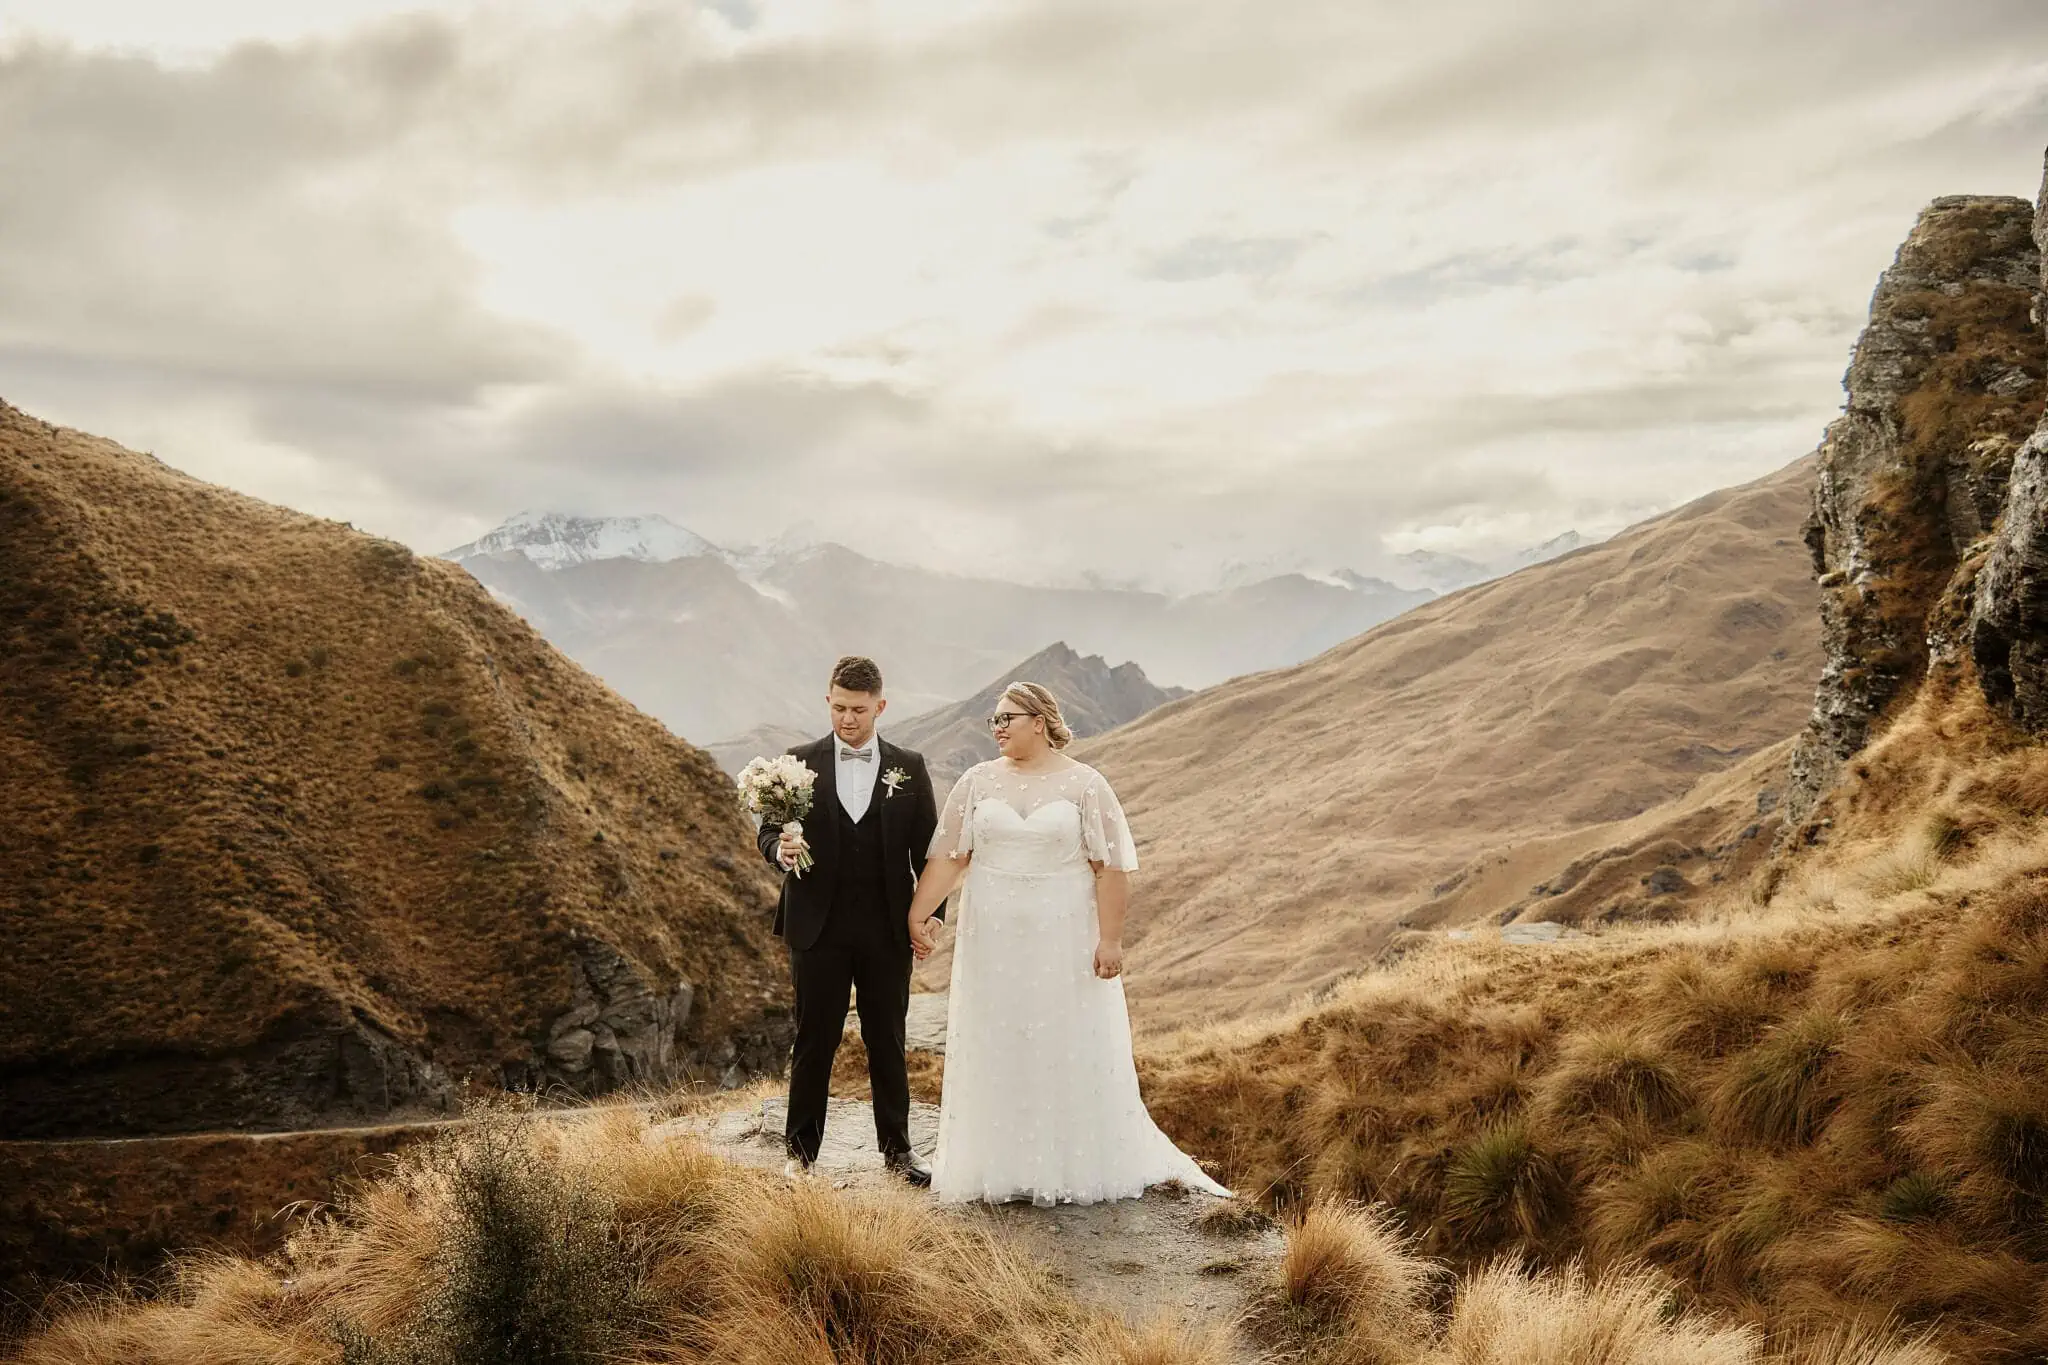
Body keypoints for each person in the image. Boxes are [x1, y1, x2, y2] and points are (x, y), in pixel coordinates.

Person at [903, 681, 1229, 1205]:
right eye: (995, 719)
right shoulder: (976, 781)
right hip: (993, 938)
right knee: (998, 1036)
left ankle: (1067, 1163)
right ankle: (997, 1164)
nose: (998, 727)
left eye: (1008, 717)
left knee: (1062, 1037)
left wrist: (1111, 940)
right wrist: (919, 914)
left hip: (1064, 936)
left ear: (1040, 721)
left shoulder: (1086, 785)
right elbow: (950, 858)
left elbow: (1111, 868)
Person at [755, 655, 939, 1186]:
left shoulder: (910, 766)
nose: (847, 720)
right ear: (827, 702)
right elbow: (767, 832)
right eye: (838, 708)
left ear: (880, 706)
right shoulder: (797, 762)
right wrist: (780, 851)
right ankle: (800, 1155)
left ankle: (898, 1152)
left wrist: (929, 919)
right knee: (815, 1039)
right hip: (817, 928)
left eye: (858, 710)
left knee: (888, 1039)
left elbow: (928, 854)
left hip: (886, 929)